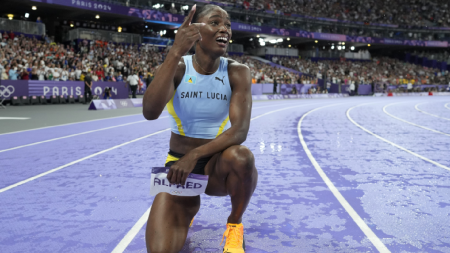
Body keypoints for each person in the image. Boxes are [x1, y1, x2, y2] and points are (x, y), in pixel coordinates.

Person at [142, 4, 257, 253]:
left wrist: (194, 155)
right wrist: (174, 52)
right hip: (179, 169)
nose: (224, 29)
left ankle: (235, 226)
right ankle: (186, 207)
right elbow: (150, 113)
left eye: (227, 25)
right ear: (195, 30)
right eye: (215, 22)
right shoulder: (179, 68)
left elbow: (239, 131)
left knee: (242, 157)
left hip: (217, 167)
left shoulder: (238, 72)